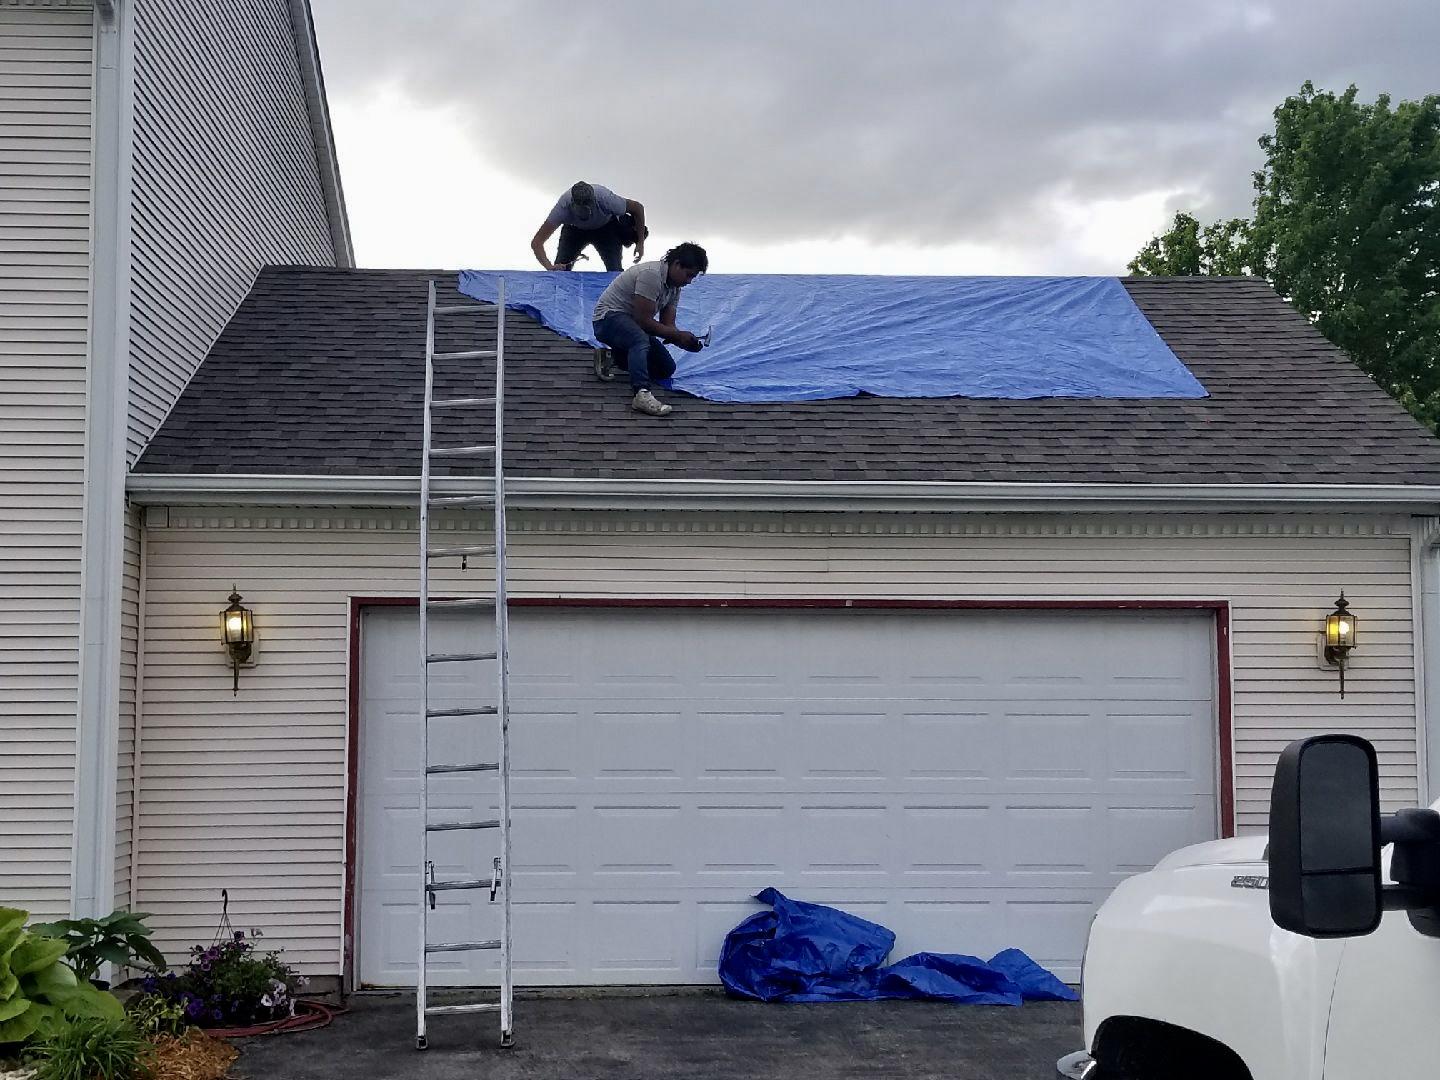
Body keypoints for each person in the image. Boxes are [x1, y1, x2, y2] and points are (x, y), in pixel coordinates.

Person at [592, 243, 709, 417]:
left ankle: (612, 357)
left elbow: (667, 326)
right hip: (607, 320)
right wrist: (677, 336)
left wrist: (685, 342)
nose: (689, 281)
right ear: (677, 264)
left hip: (630, 325)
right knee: (640, 340)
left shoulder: (674, 288)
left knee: (665, 368)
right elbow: (644, 322)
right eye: (689, 275)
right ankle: (641, 393)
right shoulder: (651, 275)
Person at [530, 181, 647, 272]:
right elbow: (537, 242)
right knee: (560, 272)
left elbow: (637, 208)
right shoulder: (562, 208)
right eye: (582, 211)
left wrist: (640, 243)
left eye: (590, 208)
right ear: (572, 205)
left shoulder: (605, 199)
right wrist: (549, 266)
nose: (588, 213)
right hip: (574, 231)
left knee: (615, 271)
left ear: (594, 201)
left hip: (606, 228)